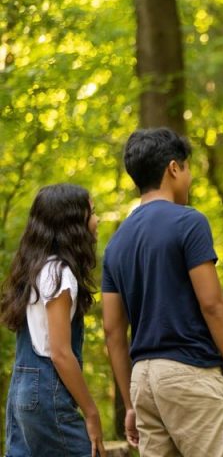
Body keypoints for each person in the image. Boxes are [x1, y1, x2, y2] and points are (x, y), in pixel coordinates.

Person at [101, 127, 223, 456]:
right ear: (174, 168)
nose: (189, 179)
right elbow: (213, 305)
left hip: (143, 381)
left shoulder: (116, 243)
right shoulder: (188, 222)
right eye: (187, 170)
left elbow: (113, 331)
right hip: (191, 372)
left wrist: (130, 403)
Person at [1, 183, 106, 457]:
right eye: (93, 213)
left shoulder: (34, 269)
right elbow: (60, 353)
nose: (97, 220)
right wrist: (92, 413)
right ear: (73, 224)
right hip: (46, 394)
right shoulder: (60, 274)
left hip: (22, 393)